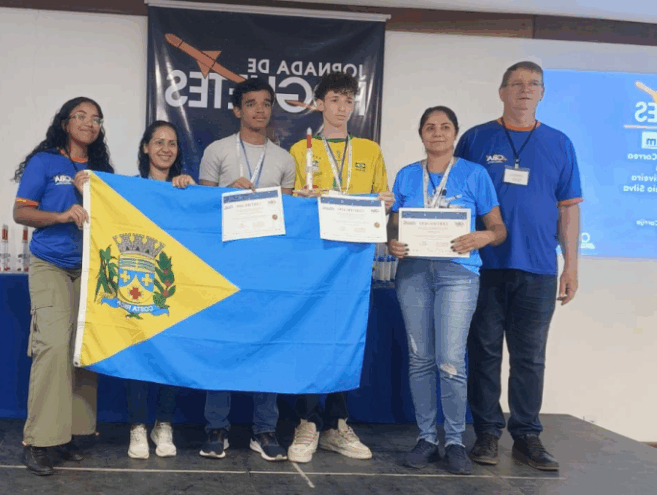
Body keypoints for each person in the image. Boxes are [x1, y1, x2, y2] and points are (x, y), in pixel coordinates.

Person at [456, 61, 582, 471]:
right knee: (484, 352)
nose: (525, 90)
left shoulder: (560, 143)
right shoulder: (476, 138)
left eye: (533, 84)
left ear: (542, 93)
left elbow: (568, 209)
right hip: (483, 267)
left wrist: (571, 266)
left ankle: (527, 435)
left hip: (539, 268)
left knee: (530, 357)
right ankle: (487, 433)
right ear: (502, 91)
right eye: (517, 84)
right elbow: (455, 199)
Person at [387, 106, 506, 475]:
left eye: (444, 127)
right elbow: (393, 225)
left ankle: (454, 441)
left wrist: (483, 236)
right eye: (429, 127)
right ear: (421, 134)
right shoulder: (407, 175)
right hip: (413, 273)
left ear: (455, 133)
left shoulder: (474, 174)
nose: (437, 132)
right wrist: (392, 242)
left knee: (450, 360)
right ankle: (426, 438)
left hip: (458, 274)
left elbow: (498, 228)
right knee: (420, 359)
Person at [287, 71, 393, 463]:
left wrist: (385, 202)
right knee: (309, 338)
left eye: (348, 100)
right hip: (313, 261)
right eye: (334, 99)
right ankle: (307, 422)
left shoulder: (370, 150)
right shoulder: (300, 150)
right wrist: (299, 199)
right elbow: (291, 206)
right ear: (319, 104)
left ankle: (337, 424)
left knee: (344, 339)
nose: (342, 108)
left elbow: (382, 205)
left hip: (353, 263)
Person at [13, 97, 115, 476]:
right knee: (53, 346)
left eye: (96, 119)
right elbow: (21, 211)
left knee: (82, 350)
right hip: (51, 264)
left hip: (88, 268)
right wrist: (61, 215)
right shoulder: (45, 162)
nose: (89, 123)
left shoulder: (101, 171)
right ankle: (39, 441)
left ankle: (70, 434)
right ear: (65, 122)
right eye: (81, 116)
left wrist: (93, 192)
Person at [197, 77, 295, 461]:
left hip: (268, 266)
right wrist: (225, 194)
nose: (259, 110)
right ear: (237, 109)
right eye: (251, 103)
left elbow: (288, 217)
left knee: (267, 344)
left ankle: (264, 429)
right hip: (224, 264)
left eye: (266, 103)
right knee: (220, 343)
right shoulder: (217, 151)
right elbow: (201, 211)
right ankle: (216, 427)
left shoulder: (284, 160)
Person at [126, 120, 195, 459]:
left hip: (172, 284)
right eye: (158, 142)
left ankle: (163, 424)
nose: (166, 149)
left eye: (172, 143)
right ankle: (137, 427)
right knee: (138, 355)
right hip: (138, 284)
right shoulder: (129, 188)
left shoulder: (184, 188)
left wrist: (192, 192)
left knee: (170, 354)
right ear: (145, 147)